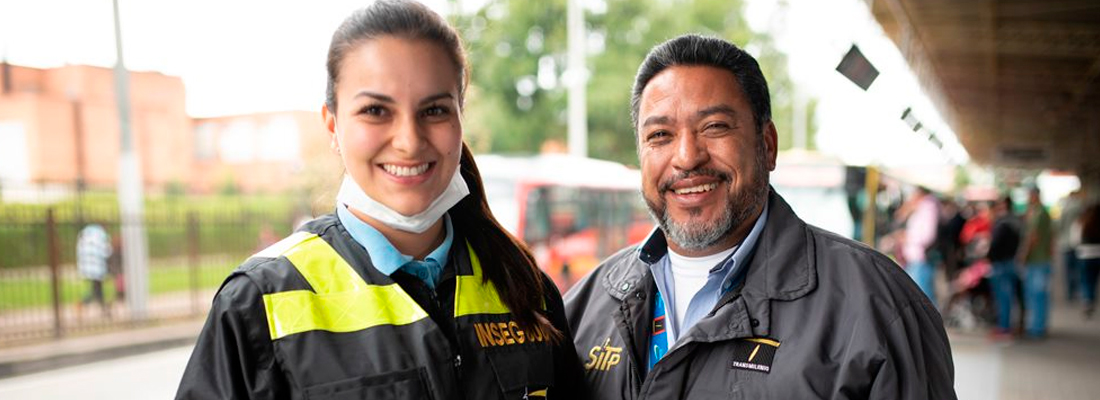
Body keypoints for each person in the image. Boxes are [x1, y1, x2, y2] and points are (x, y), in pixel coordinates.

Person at [176, 2, 584, 398]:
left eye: (435, 110)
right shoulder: (258, 302)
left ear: (461, 118)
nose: (408, 141)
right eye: (375, 110)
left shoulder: (524, 285)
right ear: (333, 125)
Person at [564, 34, 956, 399]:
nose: (686, 157)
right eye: (660, 136)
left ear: (767, 146)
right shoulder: (586, 304)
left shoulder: (878, 308)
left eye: (714, 127)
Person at [1018, 187, 1054, 338]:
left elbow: (1032, 237)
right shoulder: (1043, 213)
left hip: (1036, 260)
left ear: (1034, 196)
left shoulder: (1038, 214)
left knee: (1035, 296)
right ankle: (1039, 326)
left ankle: (1036, 329)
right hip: (1043, 259)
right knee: (1041, 296)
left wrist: (1022, 256)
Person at [897, 186, 941, 304]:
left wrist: (907, 238)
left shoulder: (928, 208)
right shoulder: (924, 207)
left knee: (924, 299)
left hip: (921, 258)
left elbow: (927, 236)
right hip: (917, 258)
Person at [987, 196, 1021, 339]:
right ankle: (1006, 327)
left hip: (1001, 265)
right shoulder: (1017, 222)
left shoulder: (1003, 224)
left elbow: (995, 246)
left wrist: (988, 256)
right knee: (1008, 298)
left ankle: (1004, 328)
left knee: (1003, 299)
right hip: (1010, 262)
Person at [76, 222, 112, 318]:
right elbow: (106, 251)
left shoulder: (86, 233)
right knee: (97, 290)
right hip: (98, 267)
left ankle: (104, 310)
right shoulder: (101, 235)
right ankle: (84, 304)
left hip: (87, 266)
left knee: (97, 290)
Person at [1057, 189, 1084, 302]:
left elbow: (1060, 225)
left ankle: (1070, 293)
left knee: (1068, 270)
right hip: (1078, 242)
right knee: (1078, 269)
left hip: (1066, 243)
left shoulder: (1065, 208)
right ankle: (1077, 291)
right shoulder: (1081, 208)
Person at [1076, 203, 1100, 319]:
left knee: (1086, 280)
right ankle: (1091, 299)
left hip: (1086, 255)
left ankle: (1087, 300)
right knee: (1094, 280)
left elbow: (1077, 238)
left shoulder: (1084, 222)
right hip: (1098, 254)